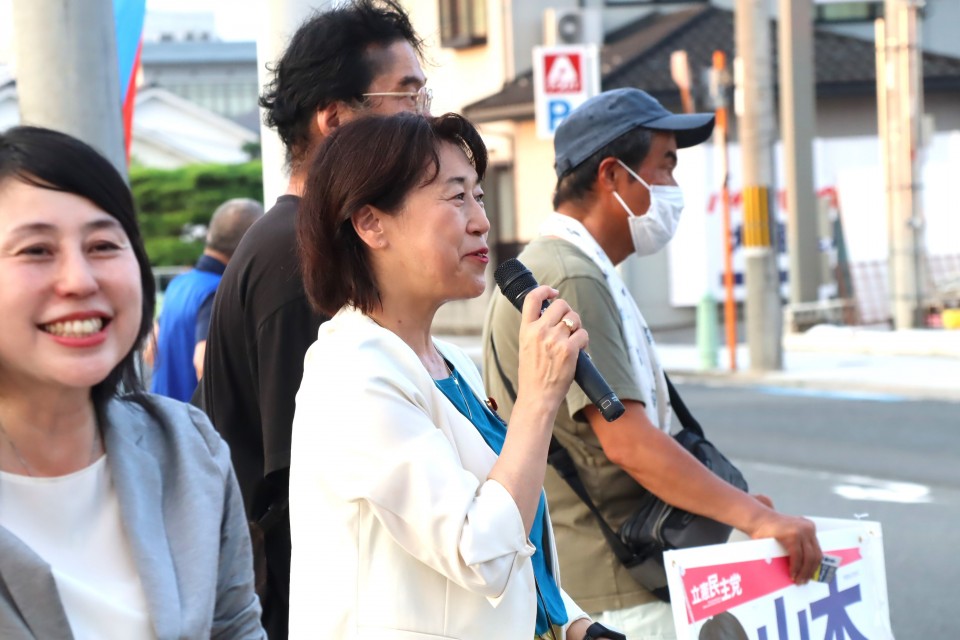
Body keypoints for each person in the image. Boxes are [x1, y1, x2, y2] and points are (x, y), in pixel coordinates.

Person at [482, 88, 823, 639]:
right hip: (615, 585)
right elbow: (628, 441)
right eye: (664, 167)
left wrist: (729, 503)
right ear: (614, 176)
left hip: (606, 572)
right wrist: (754, 519)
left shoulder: (570, 264)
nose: (673, 188)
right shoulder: (571, 275)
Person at [291, 112, 629, 640]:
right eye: (456, 198)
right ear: (371, 223)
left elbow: (512, 532)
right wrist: (538, 399)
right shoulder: (352, 374)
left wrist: (571, 622)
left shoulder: (452, 363)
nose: (481, 221)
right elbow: (478, 551)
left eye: (480, 196)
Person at [192, 2, 430, 636]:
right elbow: (299, 492)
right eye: (406, 96)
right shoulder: (298, 260)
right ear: (334, 119)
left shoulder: (312, 244)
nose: (424, 119)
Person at [0, 126, 264, 639]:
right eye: (36, 250)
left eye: (102, 244)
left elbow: (236, 627)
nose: (79, 280)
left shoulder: (189, 449)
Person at [148, 197, 263, 401]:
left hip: (163, 415)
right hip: (195, 424)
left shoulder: (179, 284)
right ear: (251, 240)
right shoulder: (218, 291)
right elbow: (204, 363)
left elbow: (150, 351)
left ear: (211, 234)